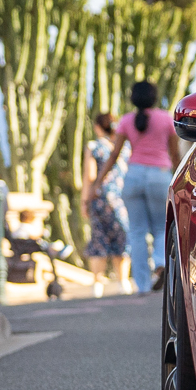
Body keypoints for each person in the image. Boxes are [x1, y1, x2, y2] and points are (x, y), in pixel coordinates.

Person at [118, 81, 183, 292]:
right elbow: (174, 154)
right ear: (154, 97)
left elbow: (113, 155)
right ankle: (160, 261)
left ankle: (142, 285)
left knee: (136, 232)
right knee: (160, 227)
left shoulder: (126, 121)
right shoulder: (166, 119)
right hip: (159, 176)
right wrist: (181, 176)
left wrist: (96, 183)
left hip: (134, 175)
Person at [82, 113, 128, 290]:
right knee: (122, 239)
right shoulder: (124, 147)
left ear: (97, 127)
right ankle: (123, 282)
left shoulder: (94, 147)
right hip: (121, 198)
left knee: (99, 239)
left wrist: (85, 201)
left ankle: (97, 284)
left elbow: (90, 176)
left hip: (99, 199)